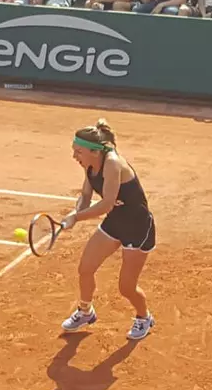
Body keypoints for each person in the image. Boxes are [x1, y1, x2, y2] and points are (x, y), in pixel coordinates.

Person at [60, 119, 157, 341]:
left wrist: (75, 217)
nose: (75, 156)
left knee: (126, 287)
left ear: (94, 151)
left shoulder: (113, 164)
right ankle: (85, 312)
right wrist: (77, 212)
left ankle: (144, 317)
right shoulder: (89, 164)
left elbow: (106, 204)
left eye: (78, 151)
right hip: (115, 223)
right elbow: (85, 195)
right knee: (85, 268)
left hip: (137, 227)